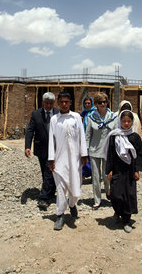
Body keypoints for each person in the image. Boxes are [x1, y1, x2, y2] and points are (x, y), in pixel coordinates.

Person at [48, 91, 88, 230]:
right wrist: (51, 159)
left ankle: (72, 204)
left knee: (75, 185)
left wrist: (84, 154)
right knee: (60, 189)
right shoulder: (54, 119)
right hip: (59, 160)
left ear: (70, 103)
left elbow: (82, 136)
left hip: (75, 160)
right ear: (58, 103)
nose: (64, 104)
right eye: (62, 102)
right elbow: (51, 141)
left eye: (67, 102)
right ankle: (60, 215)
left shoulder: (76, 117)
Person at [105, 110, 142, 233]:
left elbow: (140, 155)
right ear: (119, 121)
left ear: (132, 122)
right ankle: (118, 211)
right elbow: (110, 154)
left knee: (129, 195)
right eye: (124, 121)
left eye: (129, 121)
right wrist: (109, 170)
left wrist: (137, 171)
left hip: (129, 171)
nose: (126, 123)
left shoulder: (135, 137)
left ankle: (126, 220)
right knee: (116, 194)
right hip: (117, 170)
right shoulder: (114, 136)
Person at [25, 92, 59, 209]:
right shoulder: (36, 114)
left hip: (55, 149)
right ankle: (50, 193)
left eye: (51, 103)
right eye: (46, 103)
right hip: (41, 148)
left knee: (49, 171)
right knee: (46, 173)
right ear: (43, 102)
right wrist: (27, 146)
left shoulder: (58, 113)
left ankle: (43, 197)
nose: (49, 105)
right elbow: (30, 130)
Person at [85, 92, 117, 210]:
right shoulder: (91, 118)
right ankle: (97, 200)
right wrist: (85, 151)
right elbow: (88, 135)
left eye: (104, 101)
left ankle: (108, 191)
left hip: (108, 151)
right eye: (100, 102)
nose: (102, 104)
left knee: (106, 175)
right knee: (95, 176)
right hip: (94, 150)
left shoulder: (113, 117)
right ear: (96, 104)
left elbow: (116, 134)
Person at [80, 96, 96, 179]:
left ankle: (94, 175)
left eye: (88, 103)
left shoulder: (95, 112)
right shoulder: (83, 113)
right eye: (85, 103)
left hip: (93, 137)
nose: (87, 105)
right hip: (84, 137)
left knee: (92, 157)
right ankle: (84, 174)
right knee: (84, 155)